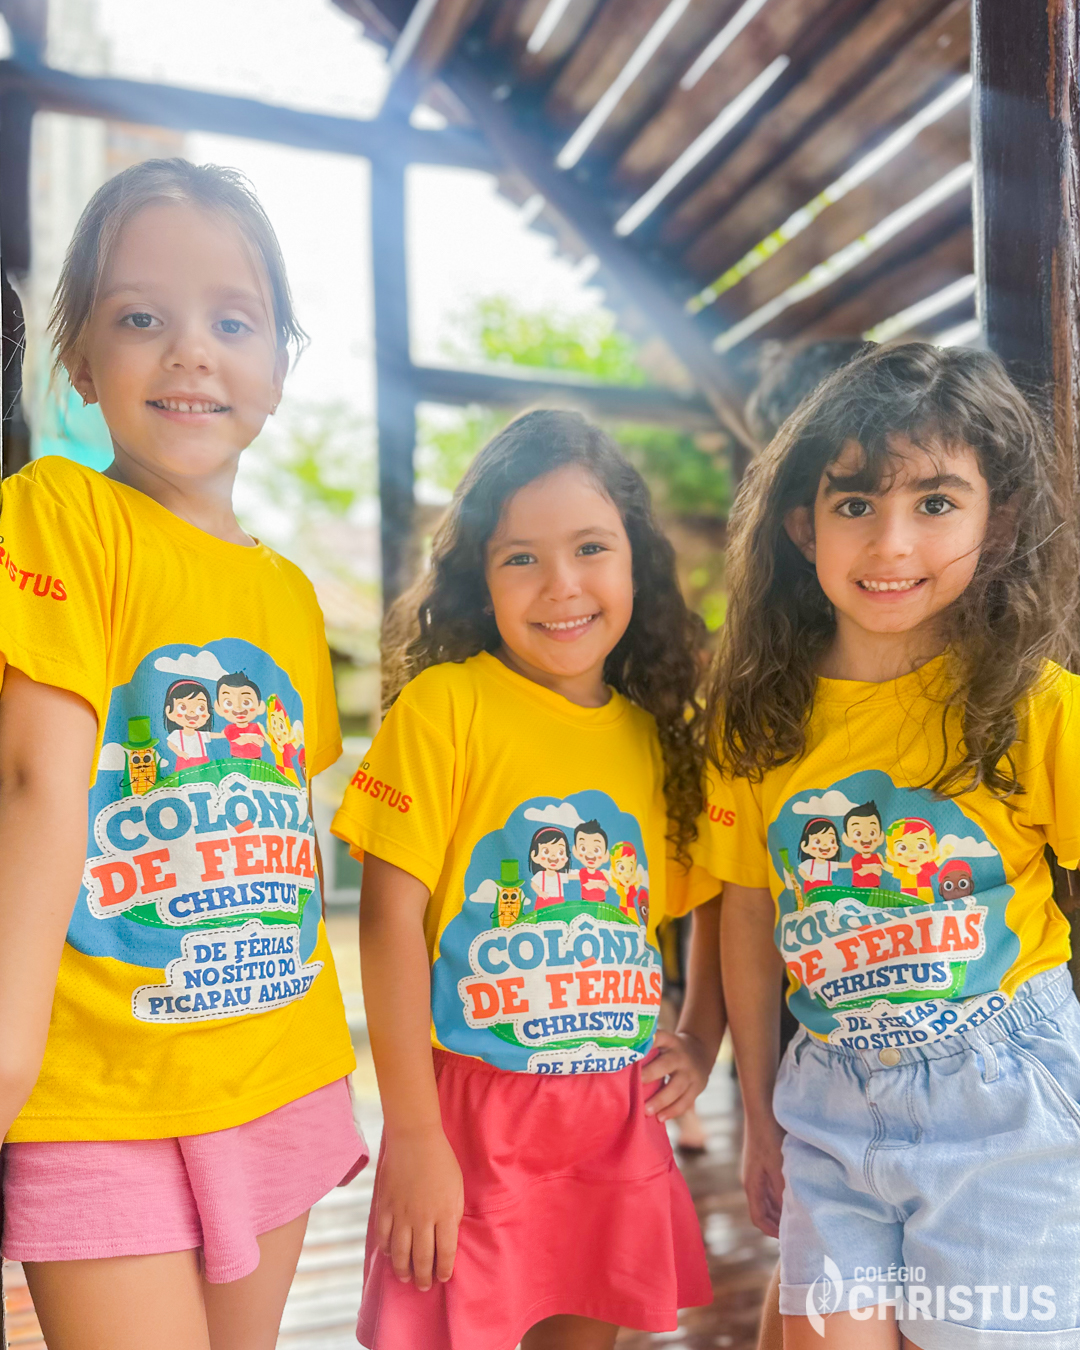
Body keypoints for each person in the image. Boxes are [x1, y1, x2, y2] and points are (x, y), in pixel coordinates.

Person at [0, 158, 365, 1350]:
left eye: (233, 322)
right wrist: (6, 1051)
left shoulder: (290, 595)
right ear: (78, 361)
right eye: (140, 318)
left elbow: (280, 825)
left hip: (277, 1067)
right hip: (94, 1089)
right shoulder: (59, 514)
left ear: (279, 365)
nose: (190, 352)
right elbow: (37, 781)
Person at [698, 342, 1080, 1348]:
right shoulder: (758, 720)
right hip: (826, 1096)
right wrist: (761, 1116)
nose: (891, 542)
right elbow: (748, 916)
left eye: (937, 502)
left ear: (999, 521)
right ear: (803, 524)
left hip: (1007, 1102)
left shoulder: (1035, 708)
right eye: (857, 502)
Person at [332, 410, 726, 1350]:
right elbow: (389, 924)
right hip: (470, 1119)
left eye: (591, 547)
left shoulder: (655, 736)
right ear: (480, 577)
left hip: (614, 1118)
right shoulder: (447, 706)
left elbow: (714, 890)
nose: (562, 585)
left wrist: (701, 1033)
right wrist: (413, 1135)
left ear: (636, 561)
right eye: (520, 558)